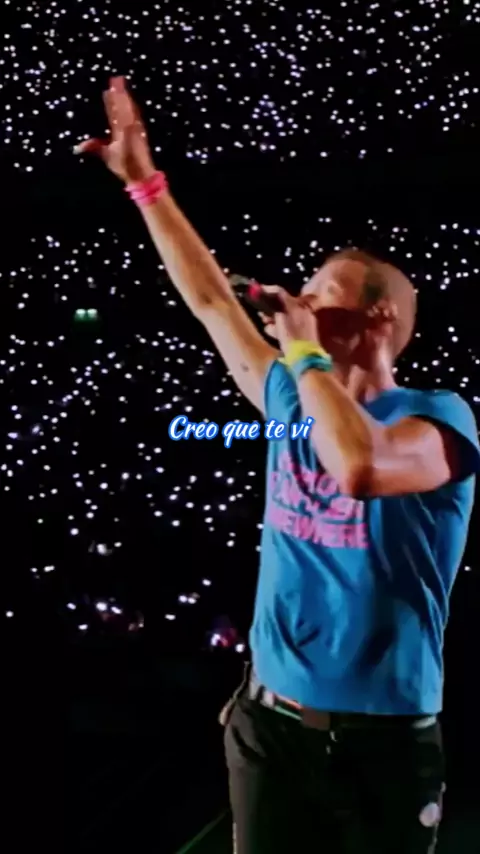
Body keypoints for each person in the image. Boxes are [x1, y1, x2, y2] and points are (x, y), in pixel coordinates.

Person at [76, 77, 480, 854]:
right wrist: (145, 184)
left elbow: (358, 467)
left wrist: (300, 348)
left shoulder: (438, 416)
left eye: (324, 289)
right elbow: (210, 302)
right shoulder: (290, 390)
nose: (301, 296)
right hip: (270, 726)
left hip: (382, 742)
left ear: (378, 317)